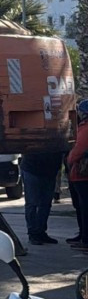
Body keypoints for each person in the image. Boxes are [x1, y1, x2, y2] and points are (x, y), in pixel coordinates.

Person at [21, 149, 64, 245]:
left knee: (45, 203)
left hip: (49, 170)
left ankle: (40, 232)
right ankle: (33, 233)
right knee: (32, 203)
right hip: (32, 168)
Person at [68, 100, 88, 249]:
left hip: (82, 174)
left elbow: (77, 151)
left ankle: (85, 239)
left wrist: (69, 160)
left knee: (84, 207)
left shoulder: (85, 129)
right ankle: (83, 235)